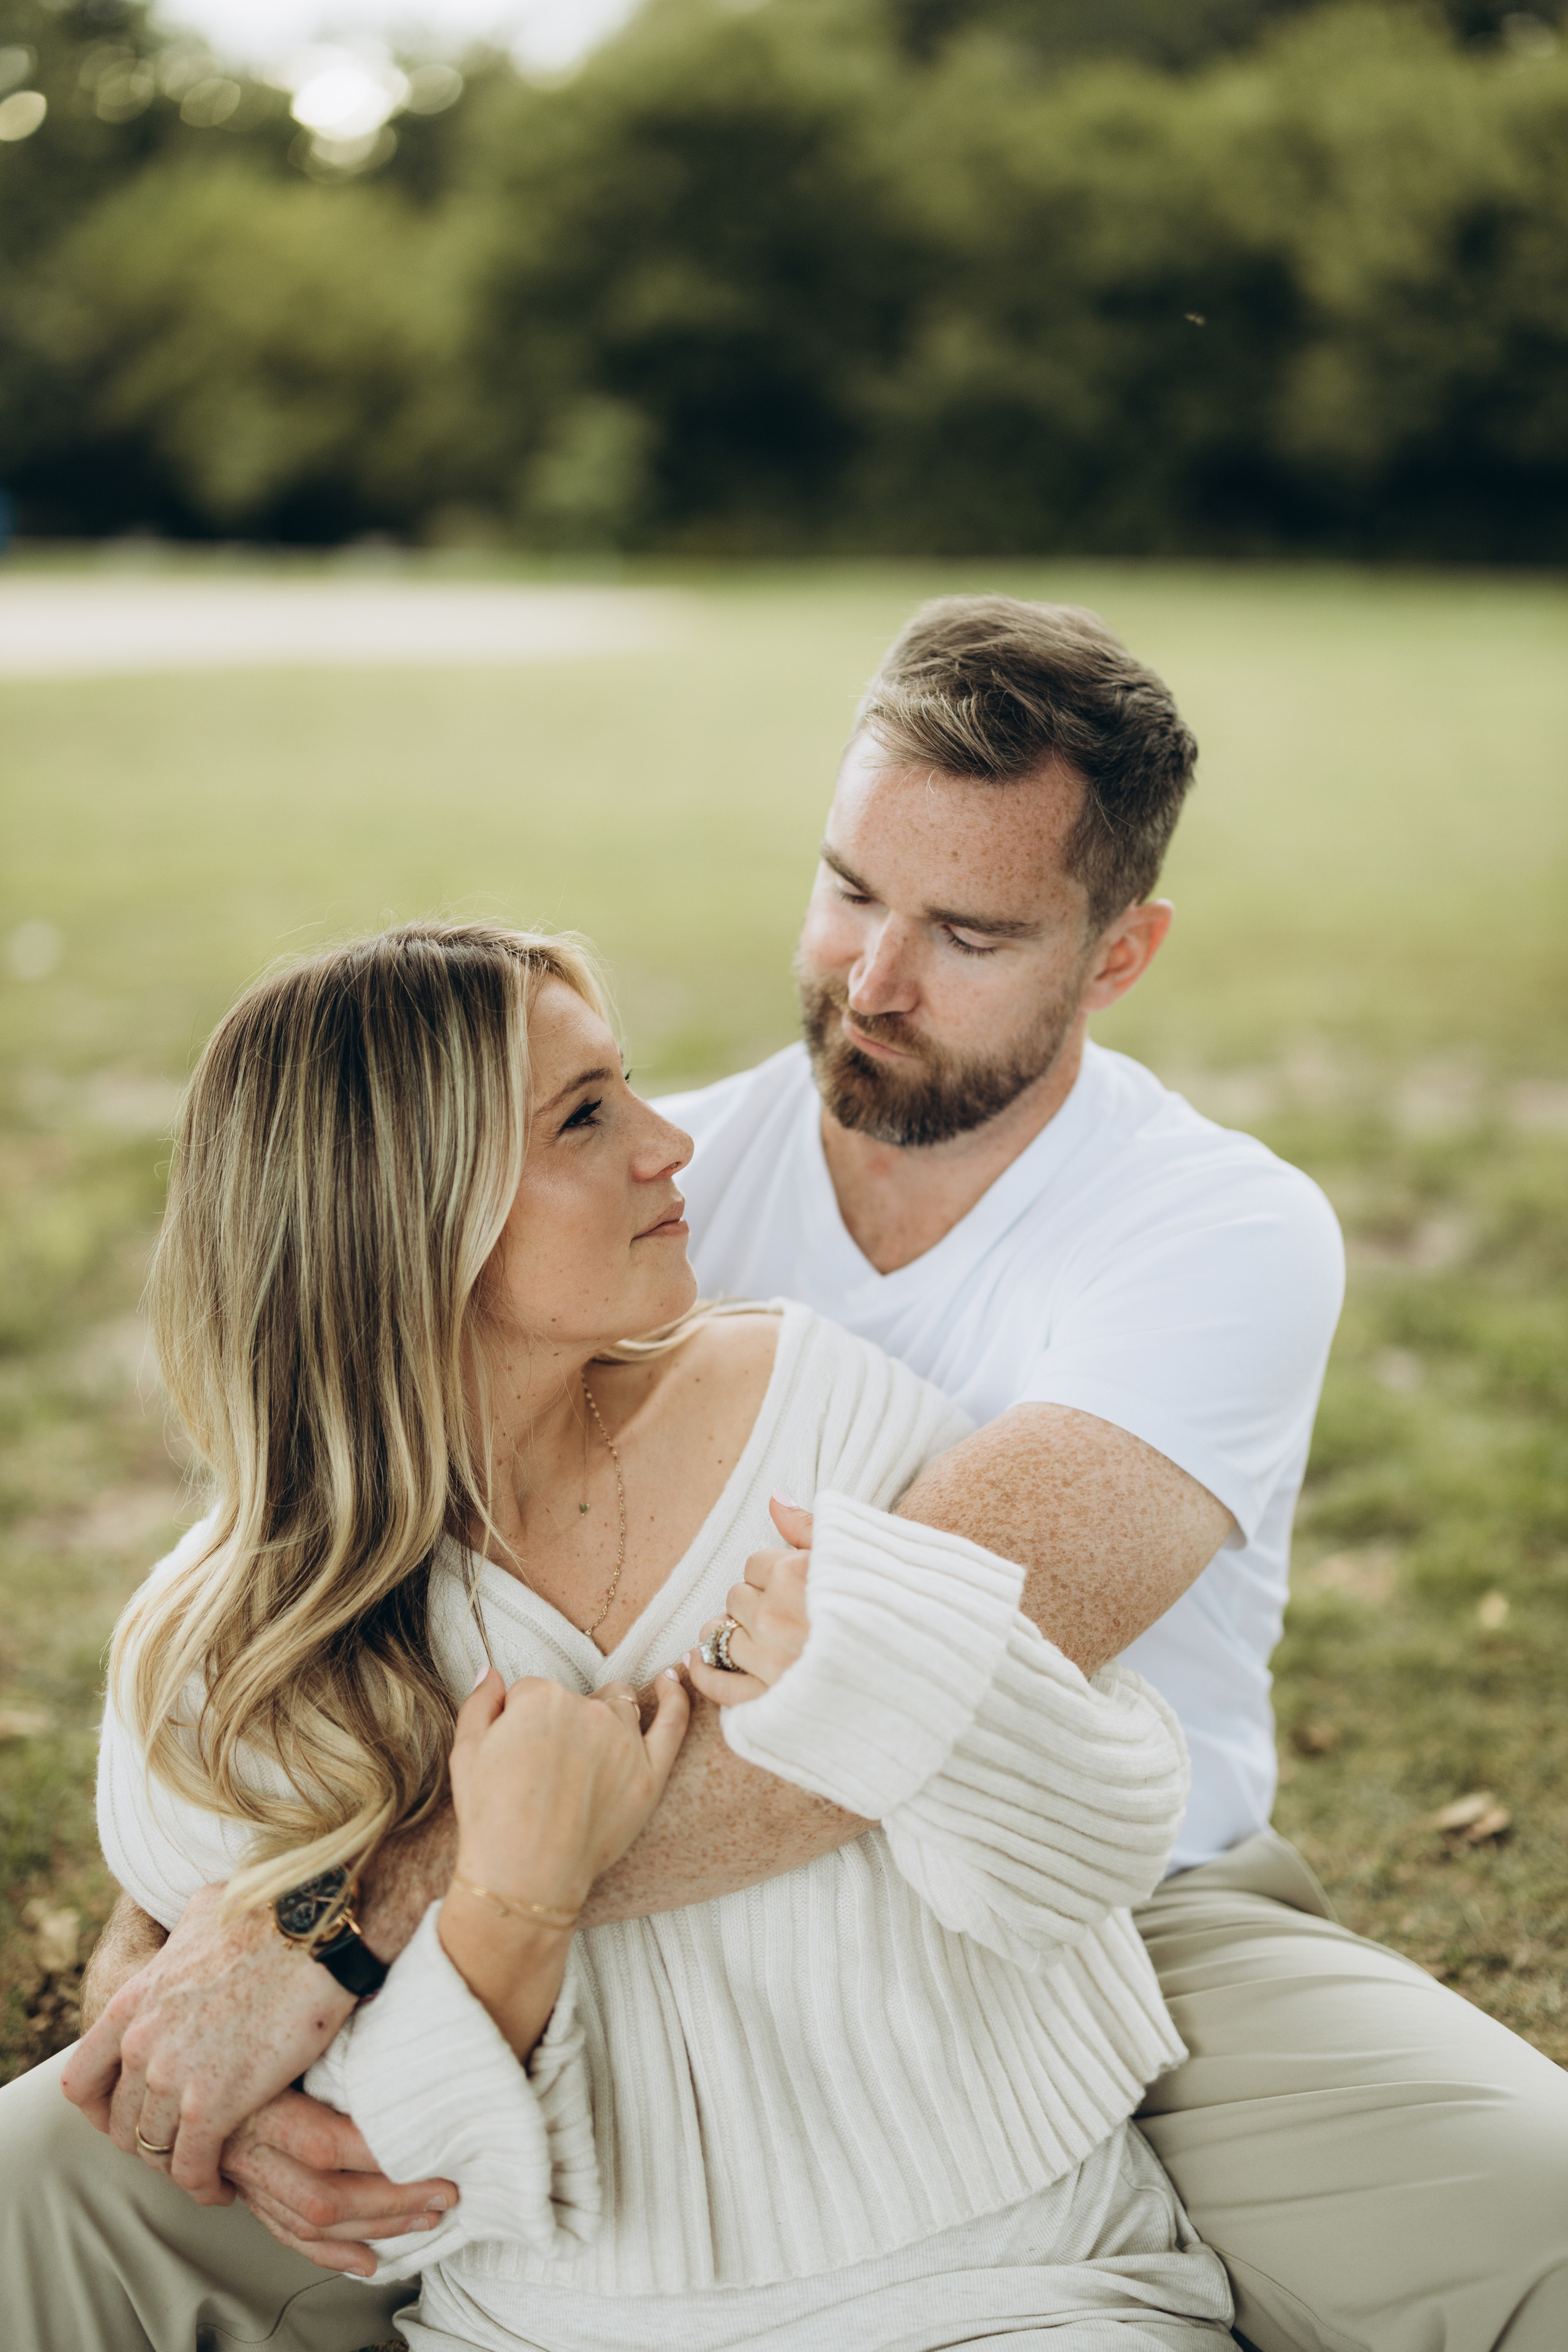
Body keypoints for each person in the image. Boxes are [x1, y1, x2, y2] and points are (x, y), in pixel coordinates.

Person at [9, 593, 1568, 2350]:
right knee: (37, 2192)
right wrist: (169, 1975)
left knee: (1546, 2226)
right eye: (847, 890)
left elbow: (921, 1685)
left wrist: (337, 1928)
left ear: (1117, 954)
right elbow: (325, 1549)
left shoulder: (1216, 1231)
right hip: (588, 1977)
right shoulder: (664, 1190)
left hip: (1121, 1919)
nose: (871, 981)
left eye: (967, 931)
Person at [1, 919, 1234, 2352]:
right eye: (585, 1117)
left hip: (1024, 2289)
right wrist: (509, 1906)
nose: (669, 1144)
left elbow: (1090, 1850)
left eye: (626, 1087)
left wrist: (887, 1655)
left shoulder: (812, 1406)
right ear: (402, 1212)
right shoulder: (220, 1664)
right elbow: (382, 2200)